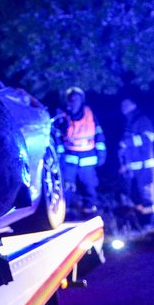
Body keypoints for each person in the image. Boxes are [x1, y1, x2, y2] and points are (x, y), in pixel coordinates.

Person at [57, 86, 106, 216]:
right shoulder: (62, 115)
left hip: (88, 156)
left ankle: (89, 211)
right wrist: (60, 154)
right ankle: (64, 212)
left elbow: (99, 133)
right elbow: (57, 136)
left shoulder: (90, 114)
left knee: (89, 185)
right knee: (66, 185)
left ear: (82, 99)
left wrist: (101, 153)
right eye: (72, 99)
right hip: (70, 156)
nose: (74, 101)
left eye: (77, 98)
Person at [118, 97, 154, 226]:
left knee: (146, 197)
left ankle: (148, 225)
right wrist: (124, 164)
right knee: (136, 197)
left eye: (126, 103)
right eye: (122, 104)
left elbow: (149, 136)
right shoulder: (129, 122)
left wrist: (128, 143)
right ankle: (142, 225)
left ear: (134, 104)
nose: (123, 106)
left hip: (145, 167)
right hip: (133, 168)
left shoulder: (142, 119)